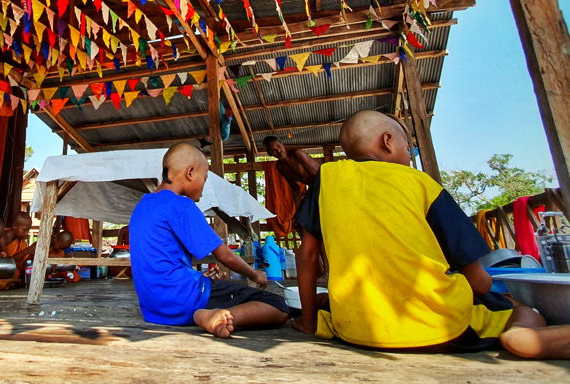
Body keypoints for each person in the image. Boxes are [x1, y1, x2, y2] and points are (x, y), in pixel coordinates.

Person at [293, 110, 570, 359]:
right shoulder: (420, 182)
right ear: (387, 141)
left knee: (325, 301)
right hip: (441, 328)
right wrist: (501, 294)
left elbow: (306, 256)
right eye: (408, 148)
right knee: (520, 308)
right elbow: (478, 282)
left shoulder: (327, 178)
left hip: (356, 331)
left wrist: (308, 321)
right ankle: (524, 336)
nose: (409, 156)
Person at [129, 143, 288, 338]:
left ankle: (207, 311)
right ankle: (213, 316)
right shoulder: (181, 205)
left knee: (219, 287)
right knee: (278, 306)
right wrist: (254, 274)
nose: (204, 187)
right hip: (185, 299)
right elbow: (224, 255)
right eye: (204, 178)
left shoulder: (143, 205)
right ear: (190, 173)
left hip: (154, 307)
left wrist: (201, 277)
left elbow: (164, 259)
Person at [263, 135, 320, 202]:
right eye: (273, 150)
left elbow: (319, 173)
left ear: (282, 145)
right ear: (269, 153)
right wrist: (298, 205)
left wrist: (312, 193)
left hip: (325, 181)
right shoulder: (280, 167)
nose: (278, 151)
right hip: (315, 188)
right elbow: (295, 188)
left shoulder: (297, 154)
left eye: (278, 146)